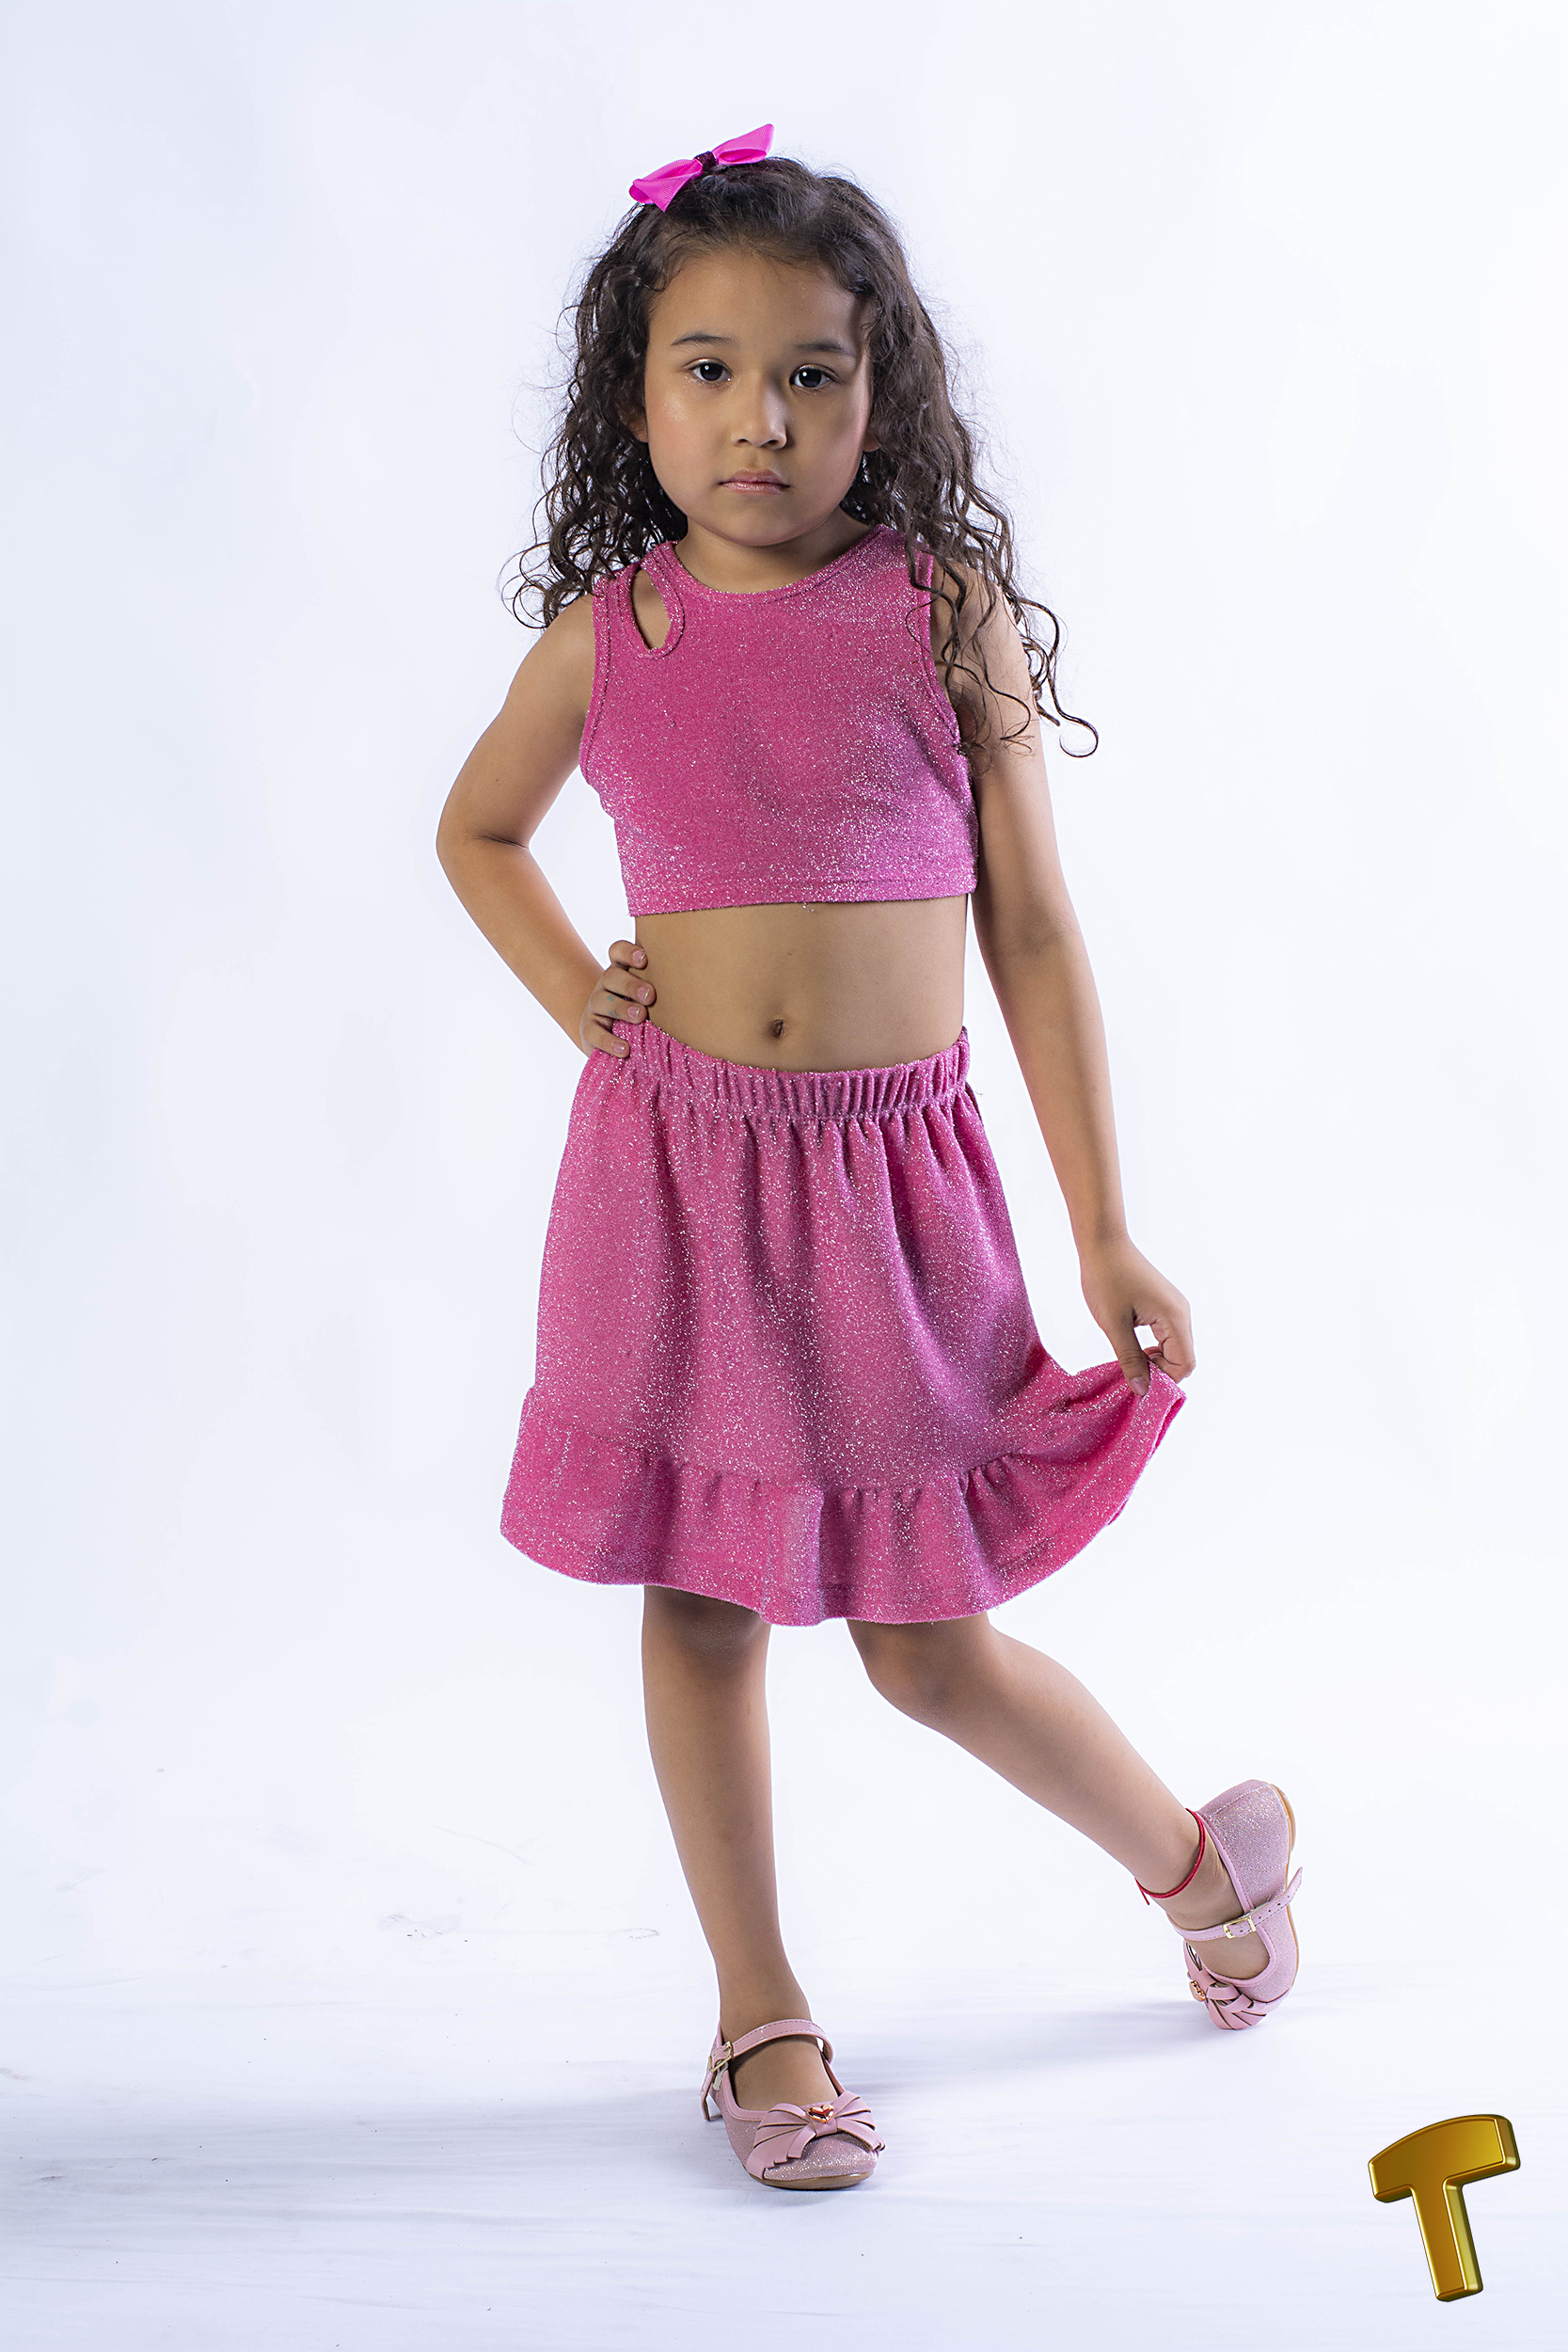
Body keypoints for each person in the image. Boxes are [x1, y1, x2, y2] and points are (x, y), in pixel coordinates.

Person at [436, 128, 1301, 2193]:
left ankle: (1196, 1859)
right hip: (671, 1184)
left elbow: (1034, 930)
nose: (762, 417)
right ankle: (761, 2013)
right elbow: (475, 829)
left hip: (891, 1199)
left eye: (812, 373)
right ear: (635, 399)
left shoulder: (936, 607)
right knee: (701, 1598)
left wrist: (1102, 1227)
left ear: (880, 395)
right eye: (711, 370)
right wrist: (577, 995)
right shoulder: (611, 635)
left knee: (922, 1636)